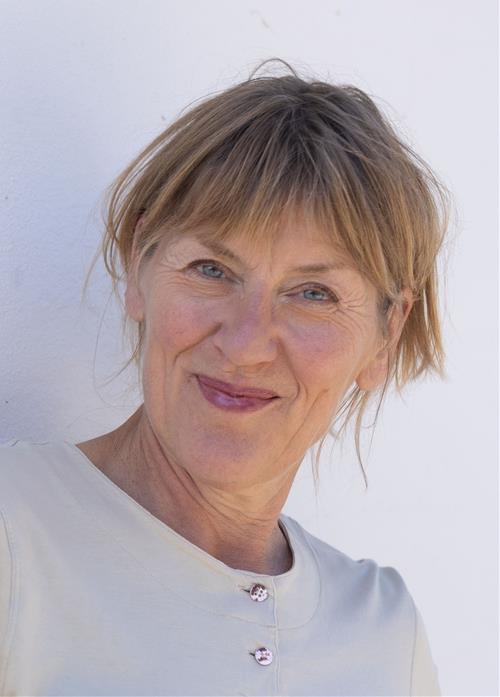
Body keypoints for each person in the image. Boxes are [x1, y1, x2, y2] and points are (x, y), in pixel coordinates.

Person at [0, 59, 450, 696]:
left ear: (387, 335)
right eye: (212, 270)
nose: (245, 346)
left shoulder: (384, 633)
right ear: (139, 265)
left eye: (314, 293)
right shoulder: (15, 529)